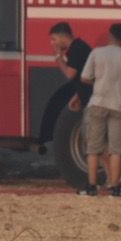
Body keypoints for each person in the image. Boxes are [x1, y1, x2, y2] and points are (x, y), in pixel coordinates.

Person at [78, 22, 121, 197]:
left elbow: (84, 77)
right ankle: (115, 187)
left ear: (110, 36)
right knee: (116, 148)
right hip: (120, 105)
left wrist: (98, 83)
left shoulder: (97, 53)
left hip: (98, 102)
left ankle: (91, 187)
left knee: (93, 147)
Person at [38, 21, 92, 151]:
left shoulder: (76, 49)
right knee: (91, 143)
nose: (52, 43)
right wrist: (78, 94)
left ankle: (112, 169)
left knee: (92, 144)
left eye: (53, 39)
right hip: (89, 99)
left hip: (92, 102)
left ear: (63, 36)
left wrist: (58, 56)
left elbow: (69, 74)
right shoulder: (80, 47)